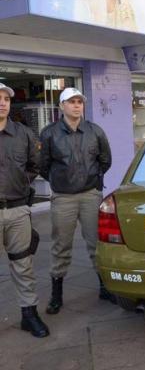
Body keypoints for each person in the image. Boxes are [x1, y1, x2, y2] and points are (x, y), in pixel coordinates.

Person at [40, 87, 114, 315]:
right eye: (71, 101)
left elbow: (105, 160)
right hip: (63, 198)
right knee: (61, 245)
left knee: (96, 244)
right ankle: (56, 294)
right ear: (62, 106)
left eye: (79, 101)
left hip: (90, 195)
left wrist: (93, 180)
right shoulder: (49, 133)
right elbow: (43, 166)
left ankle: (105, 287)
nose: (76, 105)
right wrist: (58, 181)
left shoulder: (95, 131)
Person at [0, 83, 49, 337]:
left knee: (23, 264)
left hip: (18, 211)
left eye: (6, 98)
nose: (3, 102)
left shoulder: (24, 134)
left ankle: (29, 314)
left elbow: (34, 165)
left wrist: (19, 182)